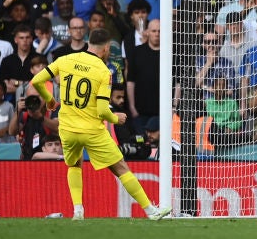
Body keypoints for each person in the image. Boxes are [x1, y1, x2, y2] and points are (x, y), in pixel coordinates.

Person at [29, 28, 170, 220]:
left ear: (88, 43)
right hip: (91, 130)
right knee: (120, 167)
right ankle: (151, 211)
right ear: (105, 48)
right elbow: (103, 110)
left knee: (74, 166)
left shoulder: (66, 59)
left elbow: (37, 80)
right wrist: (115, 118)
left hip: (67, 128)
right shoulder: (104, 71)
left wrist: (50, 100)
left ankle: (78, 210)